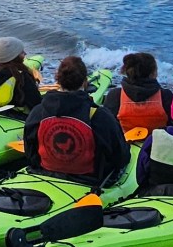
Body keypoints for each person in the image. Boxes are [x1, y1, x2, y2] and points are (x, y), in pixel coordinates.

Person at [23, 55, 129, 185]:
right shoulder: (99, 116)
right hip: (89, 180)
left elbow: (30, 152)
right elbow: (120, 157)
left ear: (57, 80)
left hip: (46, 172)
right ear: (85, 82)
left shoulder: (38, 112)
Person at [102, 52, 173, 139]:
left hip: (126, 147)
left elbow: (107, 128)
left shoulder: (115, 95)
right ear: (153, 73)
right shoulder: (165, 96)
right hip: (157, 148)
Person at [0, 37, 41, 110]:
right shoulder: (21, 76)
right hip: (16, 116)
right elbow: (36, 103)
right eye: (21, 52)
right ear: (14, 56)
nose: (25, 54)